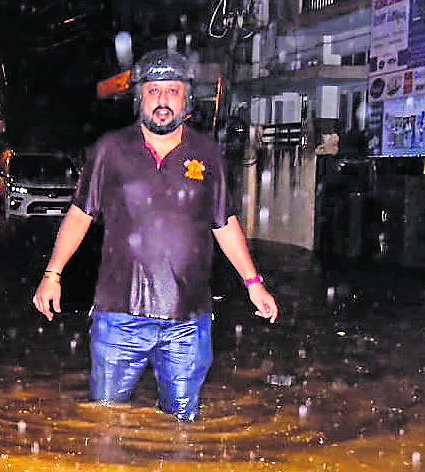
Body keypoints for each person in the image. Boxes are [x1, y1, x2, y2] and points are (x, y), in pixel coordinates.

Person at [31, 50, 279, 422]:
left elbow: (224, 222)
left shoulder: (207, 153)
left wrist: (253, 282)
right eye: (153, 91)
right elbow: (80, 214)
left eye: (173, 91)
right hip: (119, 317)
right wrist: (52, 276)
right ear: (139, 97)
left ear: (186, 99)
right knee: (105, 423)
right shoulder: (110, 150)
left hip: (188, 320)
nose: (163, 100)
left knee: (183, 428)